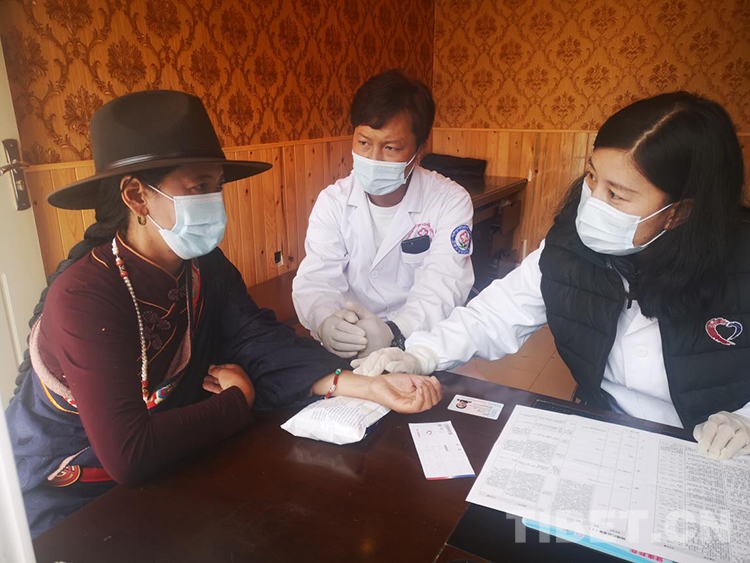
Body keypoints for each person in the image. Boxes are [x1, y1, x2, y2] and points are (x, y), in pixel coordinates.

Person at [5, 90, 442, 537]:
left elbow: (259, 341)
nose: (214, 201)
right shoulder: (84, 296)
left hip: (172, 464)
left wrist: (369, 386)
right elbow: (130, 454)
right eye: (198, 188)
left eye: (216, 186)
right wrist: (237, 402)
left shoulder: (203, 267)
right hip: (71, 493)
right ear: (137, 196)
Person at [353, 92, 750, 461]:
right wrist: (421, 353)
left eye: (616, 195)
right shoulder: (569, 248)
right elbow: (496, 314)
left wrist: (745, 419)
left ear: (679, 212)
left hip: (713, 453)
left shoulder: (739, 266)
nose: (592, 203)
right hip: (605, 428)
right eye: (592, 177)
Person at [292, 69, 474, 359]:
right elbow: (317, 277)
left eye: (390, 147)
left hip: (419, 342)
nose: (373, 158)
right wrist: (326, 321)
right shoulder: (333, 201)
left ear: (419, 149)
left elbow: (443, 284)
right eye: (364, 143)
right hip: (351, 342)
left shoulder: (449, 201)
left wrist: (396, 331)